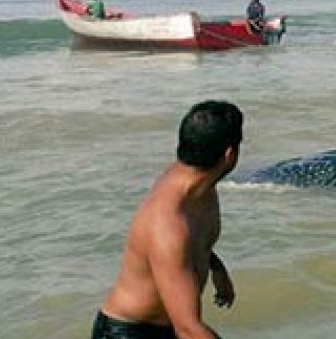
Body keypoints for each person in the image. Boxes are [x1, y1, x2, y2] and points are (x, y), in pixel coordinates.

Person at [94, 101, 244, 339]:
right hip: (128, 333)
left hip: (168, 326)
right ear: (230, 155)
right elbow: (189, 329)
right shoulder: (167, 222)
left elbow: (190, 239)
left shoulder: (199, 187)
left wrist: (216, 266)